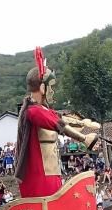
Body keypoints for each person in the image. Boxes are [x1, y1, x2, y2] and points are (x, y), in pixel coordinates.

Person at [14, 47, 98, 198]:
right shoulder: (34, 111)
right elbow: (58, 124)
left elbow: (60, 118)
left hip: (52, 170)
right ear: (42, 88)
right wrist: (84, 139)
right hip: (41, 175)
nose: (53, 91)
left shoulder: (43, 109)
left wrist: (83, 123)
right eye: (51, 87)